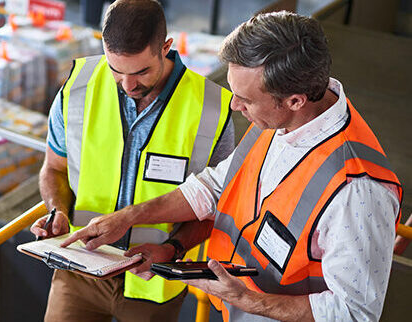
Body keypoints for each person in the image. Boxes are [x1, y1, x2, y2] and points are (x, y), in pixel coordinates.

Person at [63, 11, 403, 321]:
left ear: (295, 100)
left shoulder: (358, 189)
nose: (234, 104)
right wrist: (131, 218)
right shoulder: (278, 119)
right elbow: (214, 186)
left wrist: (246, 299)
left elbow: (354, 312)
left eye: (246, 98)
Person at [30, 0, 235, 321]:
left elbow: (216, 207)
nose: (127, 85)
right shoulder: (78, 87)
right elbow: (54, 168)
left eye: (141, 72)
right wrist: (56, 211)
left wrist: (173, 249)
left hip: (153, 283)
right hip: (79, 268)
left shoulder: (213, 109)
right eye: (116, 70)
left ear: (166, 47)